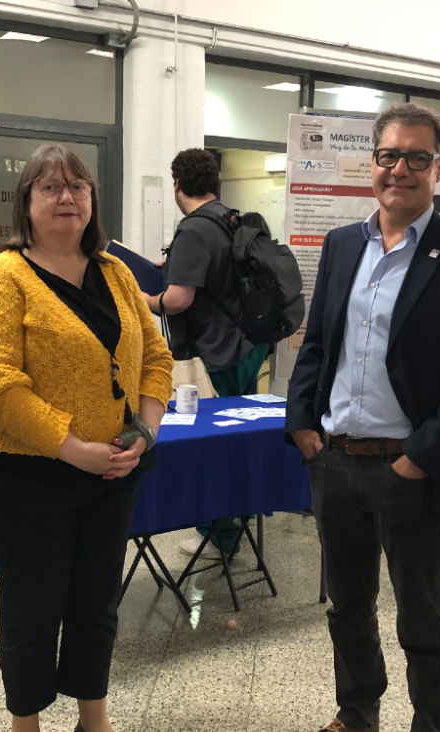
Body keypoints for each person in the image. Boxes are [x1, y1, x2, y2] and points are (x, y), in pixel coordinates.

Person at [285, 102, 440, 732]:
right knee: (347, 605)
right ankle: (356, 714)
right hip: (333, 461)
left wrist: (422, 455)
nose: (400, 170)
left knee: (422, 612)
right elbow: (318, 344)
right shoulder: (340, 245)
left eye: (417, 158)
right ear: (373, 164)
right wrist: (303, 423)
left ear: (438, 167)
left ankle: (430, 723)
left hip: (408, 468)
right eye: (389, 156)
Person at [0, 144, 173, 732]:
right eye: (51, 187)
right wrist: (71, 446)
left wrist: (146, 430)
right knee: (33, 606)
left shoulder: (115, 271)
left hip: (114, 471)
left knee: (96, 602)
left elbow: (155, 357)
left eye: (78, 187)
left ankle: (94, 717)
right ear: (26, 202)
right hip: (32, 473)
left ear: (92, 200)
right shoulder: (5, 276)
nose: (67, 197)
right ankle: (25, 722)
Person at [141, 148, 269, 559]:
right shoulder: (230, 219)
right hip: (247, 344)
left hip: (216, 351)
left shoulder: (194, 230)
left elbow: (177, 300)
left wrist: (144, 298)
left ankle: (219, 536)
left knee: (214, 444)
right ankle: (240, 521)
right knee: (238, 437)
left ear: (177, 185)